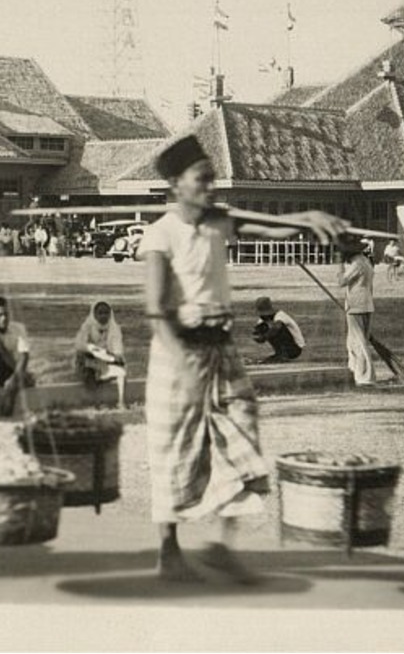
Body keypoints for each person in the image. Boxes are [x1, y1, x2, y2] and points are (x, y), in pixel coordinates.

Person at [140, 133, 346, 585]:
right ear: (176, 183)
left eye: (213, 178)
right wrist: (184, 367)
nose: (211, 187)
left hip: (222, 350)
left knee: (241, 443)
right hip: (178, 354)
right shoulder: (160, 235)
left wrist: (308, 218)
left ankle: (219, 547)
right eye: (202, 179)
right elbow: (157, 313)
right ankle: (168, 550)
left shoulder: (218, 222)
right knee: (176, 451)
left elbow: (270, 227)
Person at [73, 300, 127, 409]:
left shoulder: (114, 328)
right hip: (89, 361)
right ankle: (95, 402)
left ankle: (121, 401)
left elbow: (117, 350)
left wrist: (110, 356)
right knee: (88, 367)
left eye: (106, 313)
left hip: (105, 360)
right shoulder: (87, 326)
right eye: (100, 313)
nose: (103, 316)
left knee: (122, 371)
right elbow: (79, 344)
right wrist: (92, 349)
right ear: (94, 314)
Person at [339, 239, 377, 385]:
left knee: (358, 342)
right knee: (353, 342)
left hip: (356, 305)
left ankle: (365, 377)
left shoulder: (357, 264)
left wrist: (340, 268)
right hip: (366, 303)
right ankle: (354, 371)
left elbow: (341, 281)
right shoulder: (366, 262)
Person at [250, 295, 305, 363]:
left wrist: (265, 336)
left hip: (295, 348)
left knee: (276, 328)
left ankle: (284, 354)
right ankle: (279, 353)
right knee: (264, 327)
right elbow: (256, 333)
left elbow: (276, 328)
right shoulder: (262, 320)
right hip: (281, 349)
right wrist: (259, 336)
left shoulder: (280, 315)